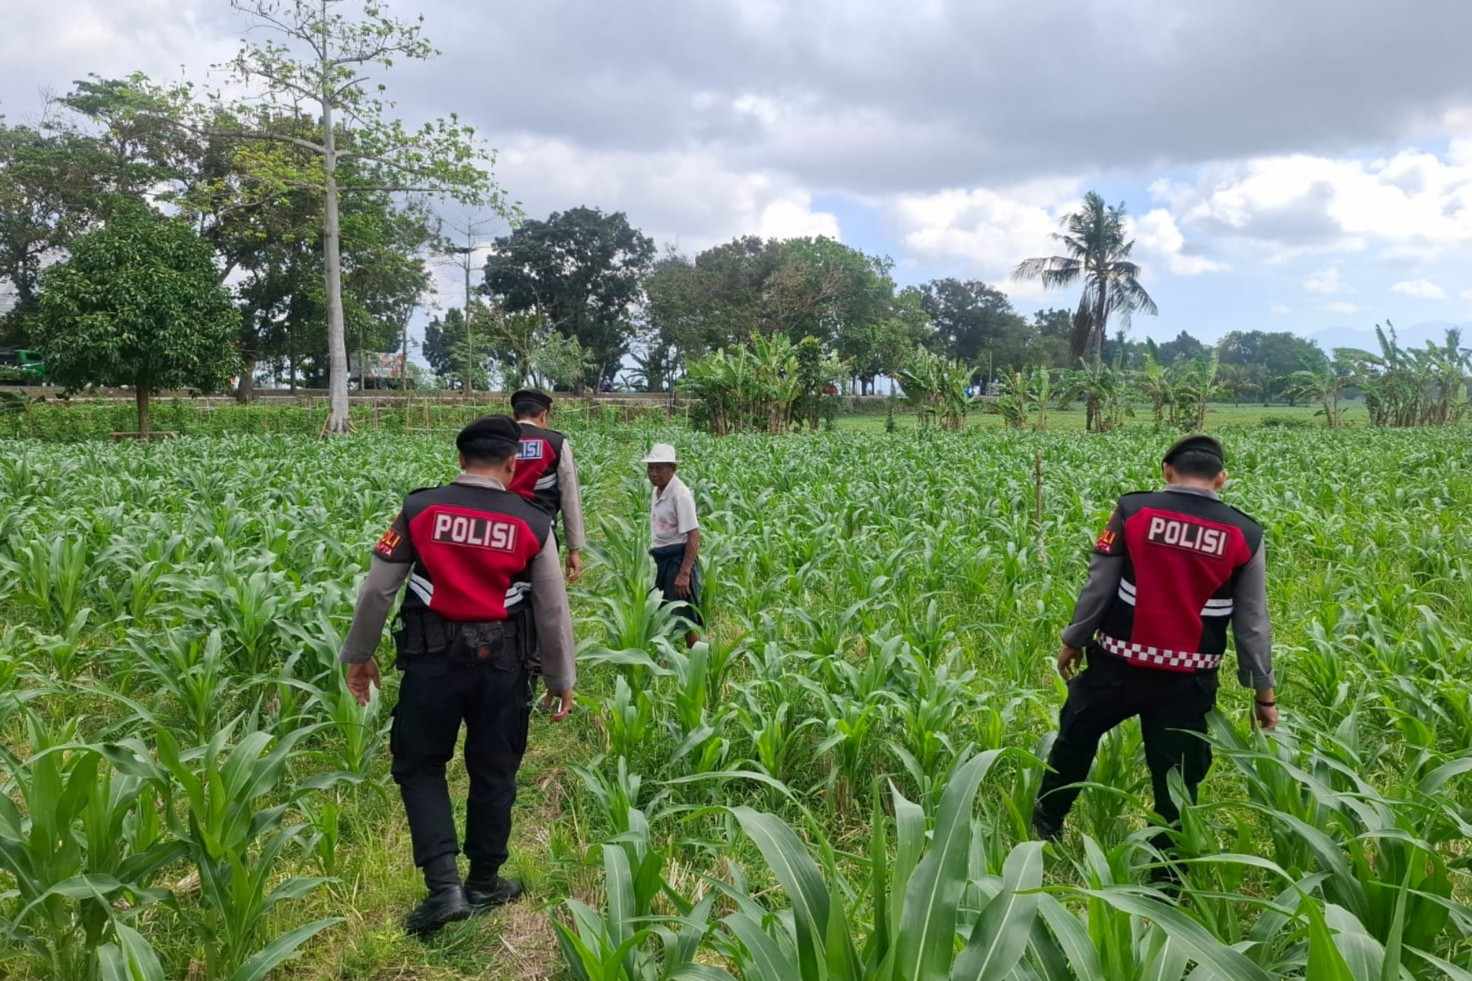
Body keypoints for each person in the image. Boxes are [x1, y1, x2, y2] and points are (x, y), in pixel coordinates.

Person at [340, 416, 577, 936]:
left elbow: (378, 590)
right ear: (512, 465)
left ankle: (444, 886)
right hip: (504, 667)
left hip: (431, 662)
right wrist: (561, 678)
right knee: (494, 769)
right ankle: (485, 882)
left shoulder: (421, 508)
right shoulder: (533, 523)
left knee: (420, 765)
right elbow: (553, 611)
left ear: (460, 460)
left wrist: (359, 655)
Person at [1032, 434, 1277, 856]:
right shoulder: (1246, 534)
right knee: (1177, 776)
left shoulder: (1134, 511)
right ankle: (1166, 876)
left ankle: (1045, 828)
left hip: (1116, 666)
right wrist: (1263, 693)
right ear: (1222, 479)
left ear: (1166, 471)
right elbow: (1253, 622)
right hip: (1188, 680)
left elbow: (1098, 585)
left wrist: (1073, 639)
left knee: (1075, 737)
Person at [506, 389, 586, 584]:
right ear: (543, 415)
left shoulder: (501, 441)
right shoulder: (555, 442)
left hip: (501, 529)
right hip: (540, 532)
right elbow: (570, 497)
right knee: (543, 591)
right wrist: (574, 548)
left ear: (514, 415)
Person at [644, 443, 702, 646]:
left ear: (673, 469)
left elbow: (694, 536)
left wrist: (684, 573)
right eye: (650, 468)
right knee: (664, 612)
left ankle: (698, 660)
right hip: (663, 559)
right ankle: (665, 657)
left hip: (678, 560)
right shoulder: (658, 491)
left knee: (686, 615)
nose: (653, 473)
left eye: (659, 468)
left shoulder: (680, 494)